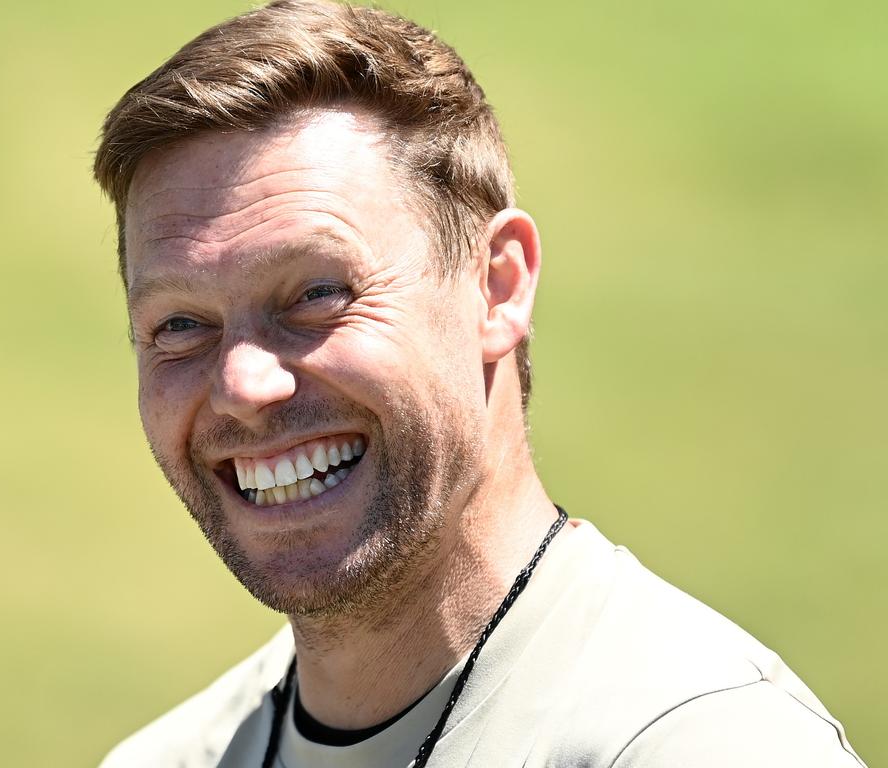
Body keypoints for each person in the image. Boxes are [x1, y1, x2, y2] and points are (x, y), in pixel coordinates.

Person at [92, 1, 867, 766]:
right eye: (180, 327)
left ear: (498, 287)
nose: (242, 385)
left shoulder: (699, 743)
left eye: (317, 294)